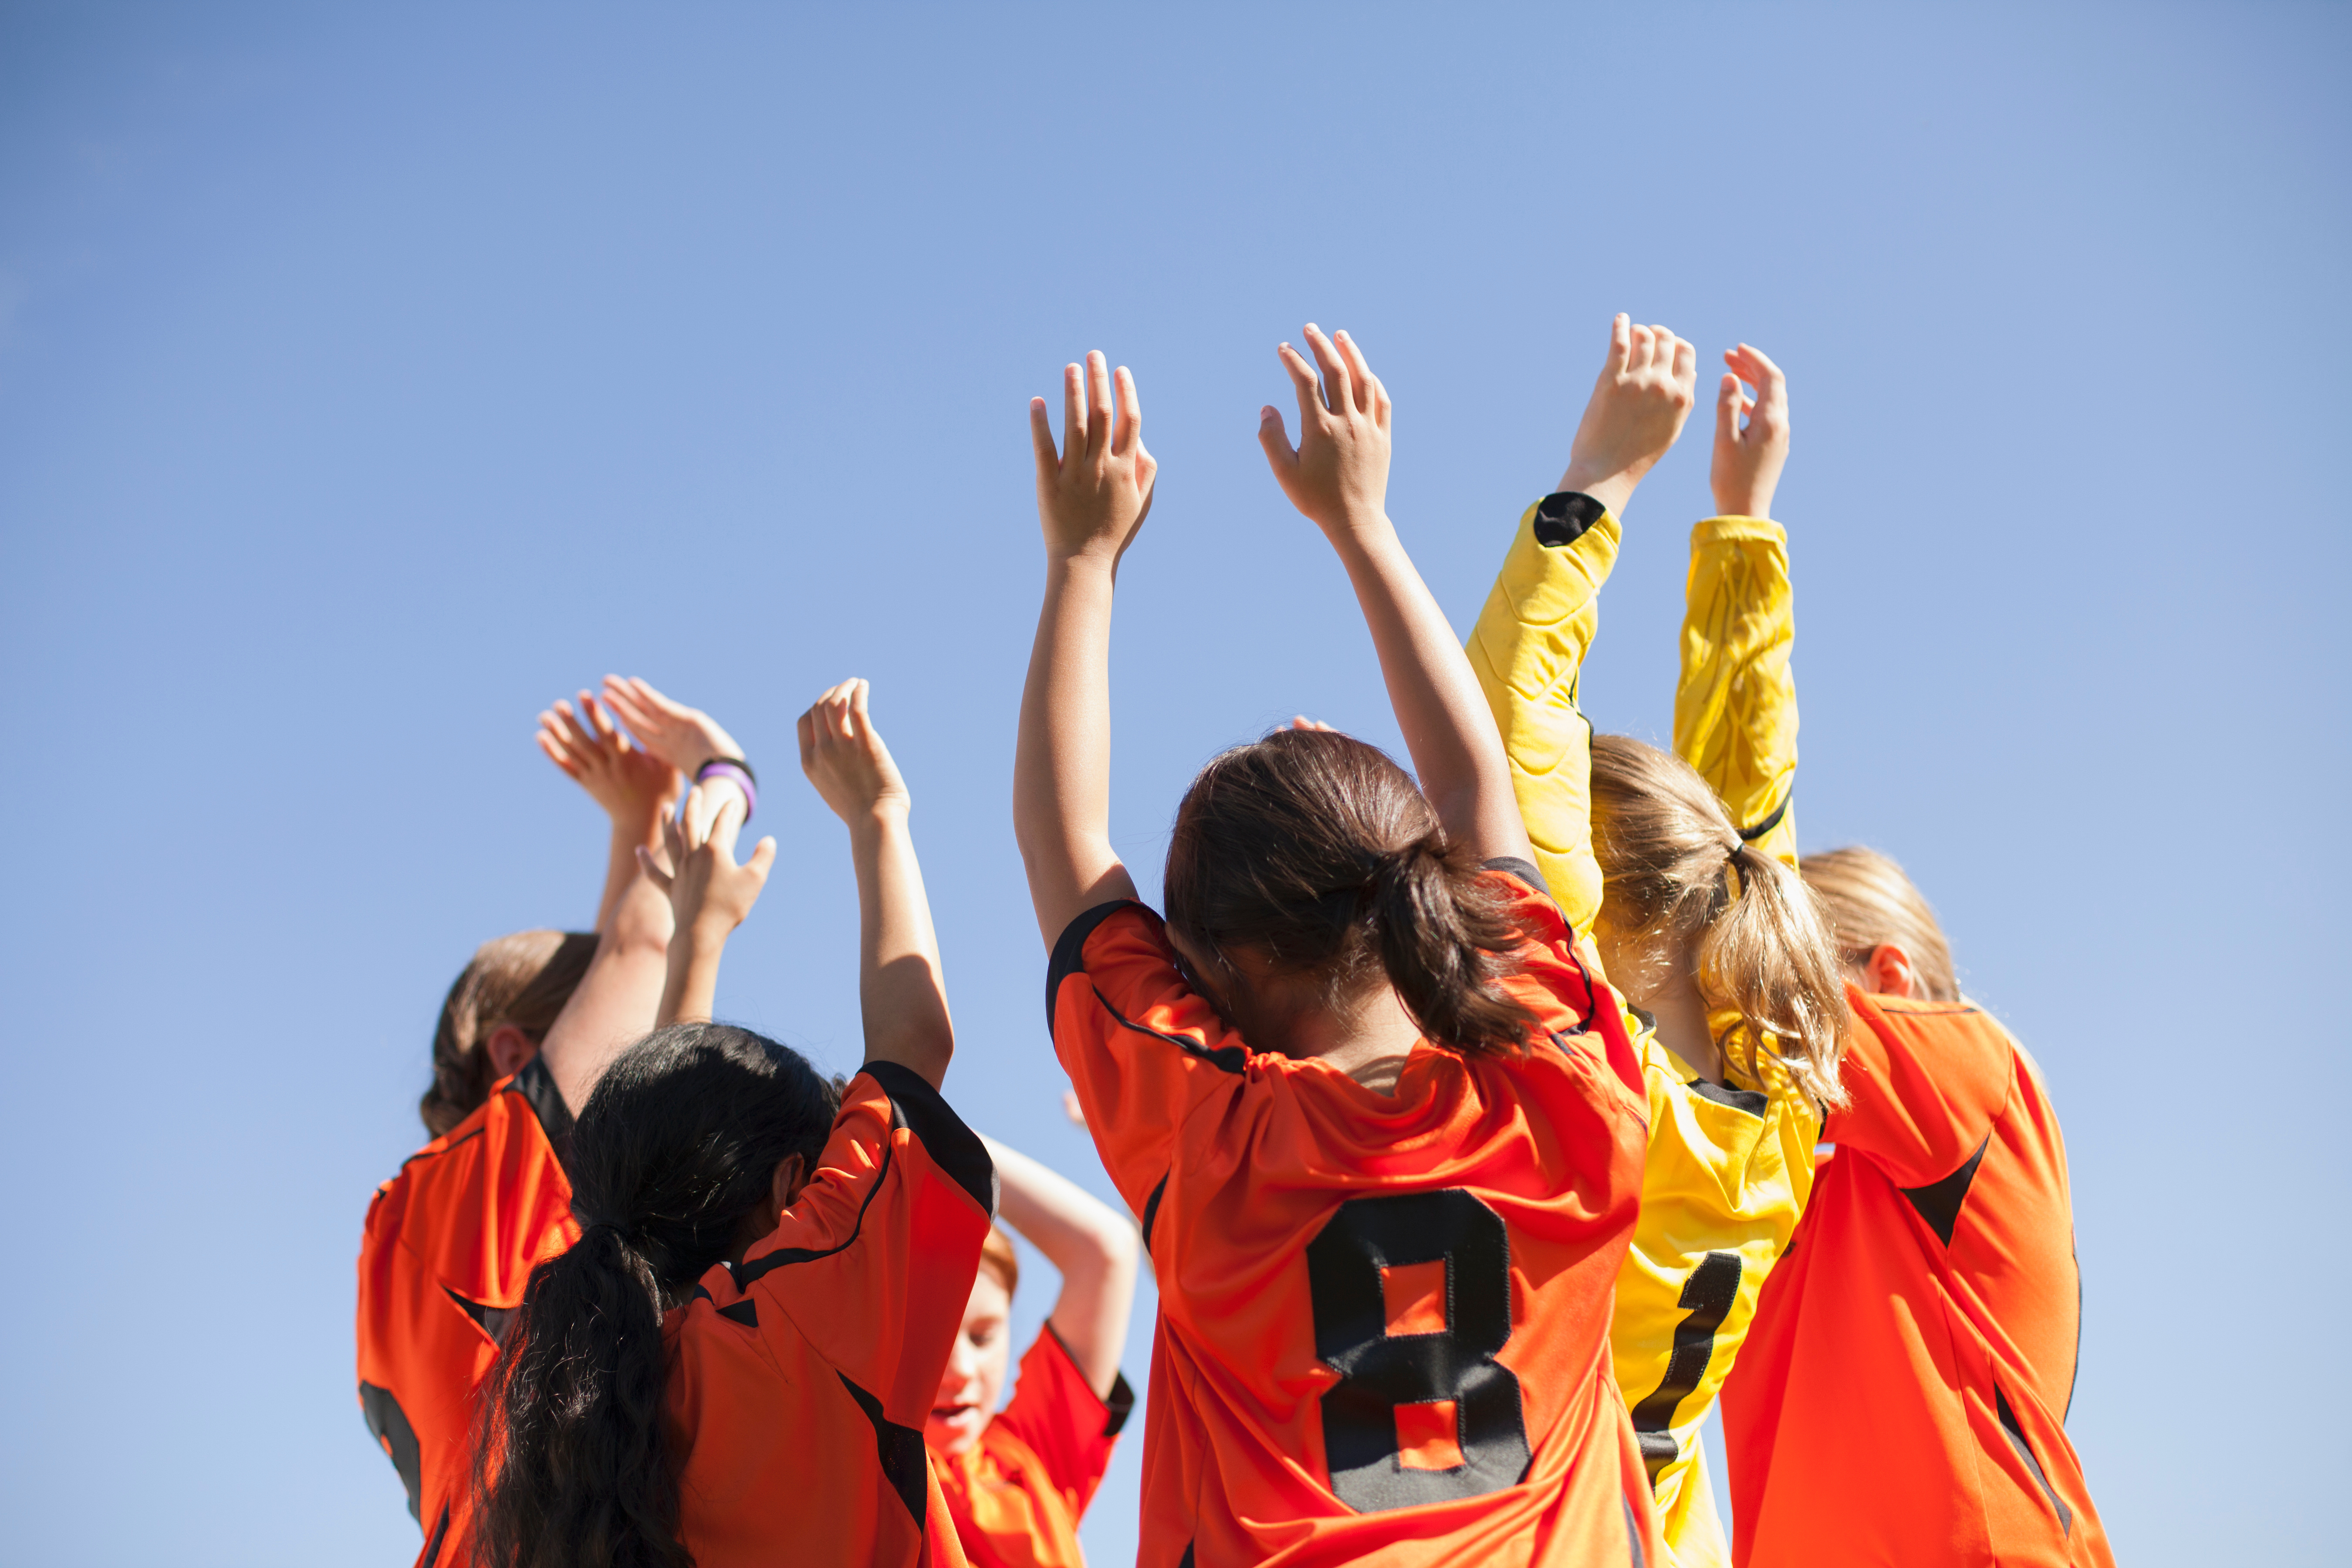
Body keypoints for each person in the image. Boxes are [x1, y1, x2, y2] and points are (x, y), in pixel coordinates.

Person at [1013, 335, 1661, 1566]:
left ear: (1230, 973)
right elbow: (1483, 811)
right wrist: (1360, 521)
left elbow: (1060, 838)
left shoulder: (1215, 1149)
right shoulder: (1568, 1094)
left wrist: (1082, 558)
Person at [1465, 321, 1850, 1567]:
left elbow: (1508, 726)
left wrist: (1601, 481)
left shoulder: (1597, 1074)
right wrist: (1742, 521)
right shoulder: (1786, 1104)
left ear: (1594, 886)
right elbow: (1754, 795)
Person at [474, 678, 997, 1568]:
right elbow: (914, 1041)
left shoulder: (566, 1388)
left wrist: (700, 938)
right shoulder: (808, 1313)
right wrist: (877, 812)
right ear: (794, 1187)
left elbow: (674, 1114)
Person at [355, 680, 752, 1565]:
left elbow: (618, 954)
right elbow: (638, 948)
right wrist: (721, 775)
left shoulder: (410, 1225)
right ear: (513, 1054)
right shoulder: (486, 1173)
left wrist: (635, 818)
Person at [1715, 809, 2110, 1543]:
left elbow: (1755, 1027)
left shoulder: (1981, 1070)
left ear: (1888, 978)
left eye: (1804, 969)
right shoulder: (1780, 1195)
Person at [928, 1139, 1139, 1568]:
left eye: (983, 1337)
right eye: (929, 1342)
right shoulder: (856, 1467)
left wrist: (929, 1123)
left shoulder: (1029, 1457)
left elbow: (1105, 1252)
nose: (961, 1371)